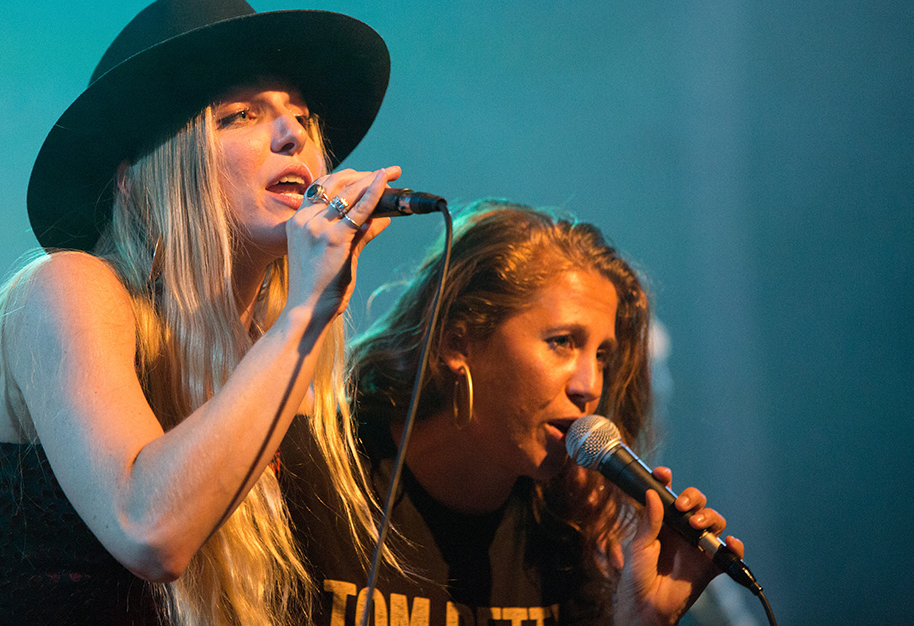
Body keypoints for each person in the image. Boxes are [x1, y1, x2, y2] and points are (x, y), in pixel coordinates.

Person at [0, 0, 398, 626]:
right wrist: (307, 312)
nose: (293, 137)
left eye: (304, 118)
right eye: (241, 116)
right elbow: (149, 529)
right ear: (138, 174)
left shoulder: (271, 360)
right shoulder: (66, 289)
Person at [280, 200, 746, 626]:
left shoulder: (573, 536)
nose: (589, 386)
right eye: (562, 342)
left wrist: (640, 621)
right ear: (457, 341)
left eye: (602, 356)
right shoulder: (308, 471)